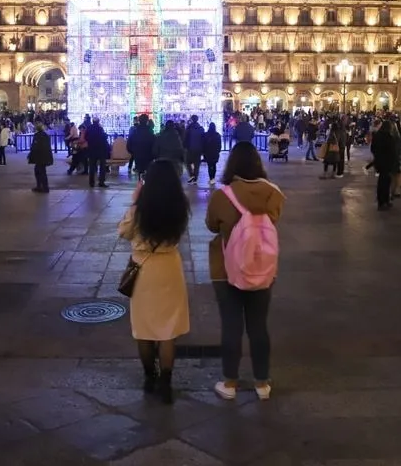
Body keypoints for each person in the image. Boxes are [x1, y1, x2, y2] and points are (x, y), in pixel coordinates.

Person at [206, 142, 284, 401]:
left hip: (225, 268)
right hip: (262, 267)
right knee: (258, 325)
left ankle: (230, 382)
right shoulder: (273, 193)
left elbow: (211, 226)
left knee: (231, 326)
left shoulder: (223, 195)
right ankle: (262, 383)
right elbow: (273, 220)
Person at [118, 160, 190, 404]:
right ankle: (166, 383)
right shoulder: (180, 206)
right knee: (168, 330)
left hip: (144, 270)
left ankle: (150, 377)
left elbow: (123, 231)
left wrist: (135, 201)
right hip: (170, 267)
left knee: (144, 329)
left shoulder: (140, 209)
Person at [27, 121, 53, 193]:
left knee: (41, 172)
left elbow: (35, 146)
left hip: (40, 157)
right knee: (39, 171)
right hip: (44, 157)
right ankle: (41, 186)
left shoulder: (38, 136)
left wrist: (31, 154)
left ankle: (44, 187)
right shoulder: (45, 135)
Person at [184, 115, 205, 184]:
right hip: (198, 149)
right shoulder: (201, 129)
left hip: (190, 149)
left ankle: (191, 175)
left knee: (187, 163)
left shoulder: (189, 128)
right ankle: (195, 177)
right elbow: (203, 139)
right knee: (197, 165)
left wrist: (185, 146)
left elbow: (185, 138)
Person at [203, 122, 223, 186]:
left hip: (208, 152)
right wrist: (218, 151)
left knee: (209, 165)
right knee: (214, 165)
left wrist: (203, 152)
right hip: (215, 153)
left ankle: (211, 178)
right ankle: (213, 178)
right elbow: (219, 145)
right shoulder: (217, 135)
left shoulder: (206, 135)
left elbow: (204, 144)